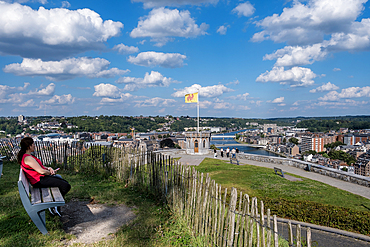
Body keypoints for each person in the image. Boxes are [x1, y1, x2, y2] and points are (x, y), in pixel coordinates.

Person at [17, 137, 71, 216]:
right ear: (29, 146)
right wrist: (50, 173)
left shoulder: (27, 156)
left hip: (39, 179)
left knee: (63, 181)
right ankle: (53, 205)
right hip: (39, 180)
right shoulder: (28, 158)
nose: (34, 146)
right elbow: (41, 171)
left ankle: (55, 205)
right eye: (33, 144)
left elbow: (39, 167)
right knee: (65, 186)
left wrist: (49, 168)